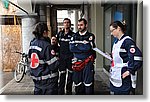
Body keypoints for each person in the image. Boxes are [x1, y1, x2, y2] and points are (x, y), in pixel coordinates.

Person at [109, 21, 143, 95]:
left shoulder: (127, 41)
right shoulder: (116, 42)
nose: (111, 34)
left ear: (118, 28)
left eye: (112, 31)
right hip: (115, 76)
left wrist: (129, 71)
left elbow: (137, 58)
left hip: (124, 78)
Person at [28, 22, 59, 95]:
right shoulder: (47, 46)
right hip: (48, 82)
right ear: (44, 32)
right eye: (47, 31)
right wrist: (57, 58)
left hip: (36, 80)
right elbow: (53, 65)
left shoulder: (32, 44)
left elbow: (30, 59)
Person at [70, 18, 96, 95]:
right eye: (78, 25)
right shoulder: (74, 36)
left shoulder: (90, 36)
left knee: (88, 84)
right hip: (77, 63)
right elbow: (71, 48)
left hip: (88, 63)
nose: (79, 27)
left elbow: (89, 47)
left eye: (81, 25)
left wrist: (77, 46)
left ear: (86, 25)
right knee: (77, 83)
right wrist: (83, 47)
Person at [56, 18, 74, 95]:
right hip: (62, 58)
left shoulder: (73, 35)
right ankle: (61, 91)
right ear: (63, 24)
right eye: (65, 22)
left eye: (68, 22)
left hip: (70, 58)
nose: (66, 24)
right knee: (62, 75)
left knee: (70, 75)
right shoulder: (59, 34)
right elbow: (55, 45)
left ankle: (69, 90)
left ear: (70, 24)